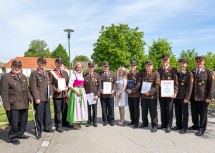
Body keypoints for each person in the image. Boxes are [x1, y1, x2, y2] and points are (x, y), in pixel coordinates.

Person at [0, 60, 32, 145]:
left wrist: (30, 97)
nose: (17, 68)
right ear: (12, 67)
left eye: (19, 67)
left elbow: (26, 89)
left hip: (24, 103)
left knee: (23, 121)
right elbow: (4, 92)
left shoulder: (23, 76)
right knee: (14, 123)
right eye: (15, 67)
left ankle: (20, 133)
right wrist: (6, 105)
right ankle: (13, 136)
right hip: (13, 104)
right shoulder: (6, 77)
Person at [189, 56, 215, 136]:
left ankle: (202, 128)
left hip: (203, 97)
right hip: (193, 97)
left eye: (200, 61)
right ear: (195, 62)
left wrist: (209, 97)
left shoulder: (209, 71)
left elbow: (212, 85)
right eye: (197, 61)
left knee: (203, 114)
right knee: (194, 113)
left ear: (204, 62)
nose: (199, 63)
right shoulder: (193, 71)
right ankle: (196, 125)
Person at [29, 58, 53, 138]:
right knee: (39, 115)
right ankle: (38, 131)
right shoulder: (34, 73)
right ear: (38, 63)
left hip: (46, 97)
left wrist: (51, 93)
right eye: (42, 63)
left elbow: (49, 85)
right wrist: (36, 97)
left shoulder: (46, 73)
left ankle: (47, 128)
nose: (43, 64)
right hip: (39, 98)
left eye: (44, 63)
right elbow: (33, 87)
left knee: (47, 114)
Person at [157, 55, 178, 133]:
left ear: (169, 60)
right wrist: (158, 83)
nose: (165, 61)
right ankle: (163, 123)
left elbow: (176, 82)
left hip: (170, 93)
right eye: (163, 60)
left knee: (169, 109)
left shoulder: (173, 69)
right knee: (162, 109)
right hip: (162, 93)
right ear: (162, 61)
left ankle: (169, 125)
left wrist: (175, 92)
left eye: (166, 60)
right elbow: (157, 80)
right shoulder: (159, 69)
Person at [173, 59, 193, 134]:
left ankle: (184, 127)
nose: (182, 65)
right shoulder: (177, 73)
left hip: (184, 97)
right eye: (180, 64)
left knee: (185, 113)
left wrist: (187, 98)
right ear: (178, 64)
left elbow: (189, 87)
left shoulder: (189, 74)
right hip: (177, 97)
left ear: (186, 64)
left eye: (183, 64)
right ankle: (178, 125)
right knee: (177, 112)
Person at [49, 58, 69, 132]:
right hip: (57, 95)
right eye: (58, 63)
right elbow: (50, 84)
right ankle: (58, 125)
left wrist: (67, 87)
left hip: (64, 94)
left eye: (61, 63)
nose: (60, 65)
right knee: (57, 111)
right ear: (55, 63)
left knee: (65, 110)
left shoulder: (65, 72)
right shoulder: (52, 73)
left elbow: (68, 82)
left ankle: (65, 123)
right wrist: (55, 89)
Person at [67, 63, 88, 129]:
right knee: (76, 108)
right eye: (77, 67)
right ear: (75, 68)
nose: (79, 68)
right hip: (76, 92)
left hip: (81, 91)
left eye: (80, 67)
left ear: (82, 68)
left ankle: (78, 122)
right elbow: (70, 85)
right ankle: (75, 124)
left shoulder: (81, 75)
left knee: (80, 108)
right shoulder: (73, 75)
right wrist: (76, 91)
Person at [140, 61, 160, 132]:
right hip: (143, 97)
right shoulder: (143, 74)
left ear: (152, 66)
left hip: (151, 97)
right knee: (144, 111)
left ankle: (154, 125)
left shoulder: (156, 74)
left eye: (149, 66)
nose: (148, 67)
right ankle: (145, 123)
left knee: (153, 112)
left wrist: (150, 92)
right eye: (146, 66)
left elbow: (157, 86)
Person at [84, 62, 101, 127]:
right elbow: (83, 86)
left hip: (94, 96)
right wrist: (84, 95)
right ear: (88, 67)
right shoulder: (85, 76)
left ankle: (94, 122)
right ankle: (88, 121)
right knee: (88, 109)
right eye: (90, 67)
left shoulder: (97, 75)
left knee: (94, 109)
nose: (91, 68)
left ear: (93, 68)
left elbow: (99, 86)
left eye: (92, 67)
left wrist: (97, 95)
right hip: (87, 95)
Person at [99, 62, 116, 126]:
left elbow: (114, 83)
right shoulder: (99, 74)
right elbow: (98, 83)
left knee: (111, 107)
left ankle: (111, 120)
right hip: (103, 94)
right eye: (104, 66)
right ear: (102, 67)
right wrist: (100, 89)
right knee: (103, 108)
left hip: (111, 94)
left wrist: (113, 90)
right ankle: (105, 120)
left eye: (107, 66)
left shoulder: (112, 74)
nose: (105, 67)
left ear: (109, 67)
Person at [127, 61, 141, 129]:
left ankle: (136, 123)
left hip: (135, 94)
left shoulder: (138, 74)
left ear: (136, 66)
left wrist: (132, 90)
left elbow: (138, 84)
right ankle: (132, 120)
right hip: (129, 95)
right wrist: (127, 89)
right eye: (132, 65)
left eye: (134, 66)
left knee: (136, 109)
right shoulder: (129, 74)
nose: (133, 67)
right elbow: (127, 83)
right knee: (131, 108)